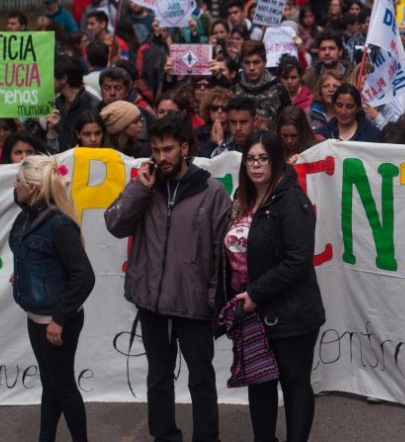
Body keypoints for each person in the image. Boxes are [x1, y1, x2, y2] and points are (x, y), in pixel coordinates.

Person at [104, 114, 231, 442]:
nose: (161, 157)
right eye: (156, 149)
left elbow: (223, 255)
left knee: (201, 380)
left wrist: (215, 303)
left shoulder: (213, 192)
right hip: (152, 304)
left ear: (184, 148)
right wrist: (138, 189)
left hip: (195, 306)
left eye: (169, 149)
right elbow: (115, 224)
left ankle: (207, 437)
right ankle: (164, 436)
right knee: (158, 378)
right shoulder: (146, 186)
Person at [224, 130, 325, 442]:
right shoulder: (242, 200)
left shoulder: (292, 201)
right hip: (253, 313)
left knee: (294, 383)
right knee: (260, 383)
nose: (256, 165)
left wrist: (255, 293)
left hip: (292, 313)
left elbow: (297, 260)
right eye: (250, 159)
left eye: (263, 159)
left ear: (277, 161)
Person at [10, 155, 95, 442]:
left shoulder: (58, 225)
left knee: (63, 386)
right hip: (38, 317)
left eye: (19, 181)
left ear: (32, 188)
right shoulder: (28, 214)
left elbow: (84, 276)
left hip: (57, 320)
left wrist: (59, 319)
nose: (14, 185)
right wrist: (23, 270)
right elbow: (33, 254)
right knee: (51, 383)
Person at [235, 40, 290, 127]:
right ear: (242, 64)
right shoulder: (234, 90)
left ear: (265, 62)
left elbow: (288, 124)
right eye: (247, 63)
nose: (251, 68)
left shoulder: (279, 91)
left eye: (256, 62)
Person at [315, 83, 381, 142]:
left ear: (358, 108)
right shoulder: (322, 134)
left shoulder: (372, 133)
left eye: (349, 107)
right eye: (339, 105)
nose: (343, 112)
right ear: (334, 105)